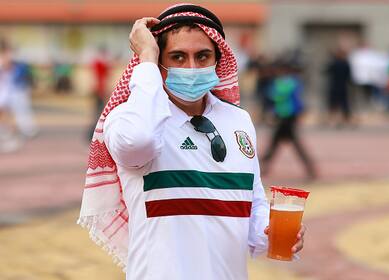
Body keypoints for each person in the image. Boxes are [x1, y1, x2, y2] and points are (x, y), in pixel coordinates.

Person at [78, 4, 306, 280]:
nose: (192, 67)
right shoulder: (127, 119)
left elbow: (252, 203)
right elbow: (139, 141)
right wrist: (146, 58)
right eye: (177, 57)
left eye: (202, 56)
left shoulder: (239, 120)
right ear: (159, 63)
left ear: (217, 60)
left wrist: (271, 232)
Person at [261, 60, 316, 180]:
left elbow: (274, 95)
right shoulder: (292, 82)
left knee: (277, 144)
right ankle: (310, 169)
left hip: (286, 117)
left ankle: (263, 166)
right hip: (284, 116)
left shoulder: (286, 83)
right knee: (276, 144)